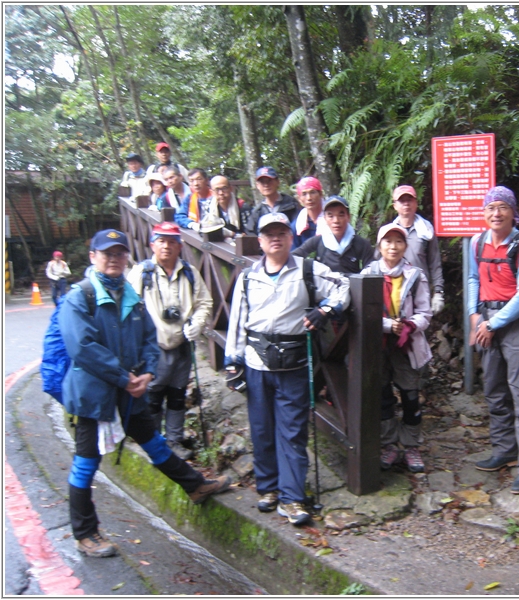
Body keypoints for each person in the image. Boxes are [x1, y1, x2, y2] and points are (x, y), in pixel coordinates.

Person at [59, 229, 229, 558]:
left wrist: (149, 371)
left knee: (154, 441)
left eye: (120, 253)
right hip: (95, 397)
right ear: (93, 257)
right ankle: (85, 533)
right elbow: (82, 348)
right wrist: (125, 378)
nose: (114, 258)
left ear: (126, 257)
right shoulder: (80, 296)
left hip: (130, 389)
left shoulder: (129, 295)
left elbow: (150, 338)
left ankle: (194, 485)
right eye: (106, 253)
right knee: (85, 464)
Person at [225, 213, 350, 525]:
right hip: (256, 362)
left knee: (292, 431)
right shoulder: (248, 277)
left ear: (290, 237)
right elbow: (237, 320)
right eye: (269, 234)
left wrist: (325, 310)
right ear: (260, 240)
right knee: (261, 428)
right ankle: (268, 488)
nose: (276, 238)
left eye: (281, 232)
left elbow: (344, 285)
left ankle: (292, 497)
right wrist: (232, 361)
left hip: (294, 363)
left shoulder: (309, 270)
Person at [467, 186, 519, 495]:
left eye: (502, 207)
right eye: (490, 208)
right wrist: (474, 316)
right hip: (486, 319)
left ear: (513, 212)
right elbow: (473, 278)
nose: (495, 214)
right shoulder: (477, 243)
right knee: (494, 391)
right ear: (484, 213)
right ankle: (504, 450)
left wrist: (492, 324)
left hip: (518, 327)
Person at [127, 223, 213, 460]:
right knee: (153, 394)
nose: (167, 246)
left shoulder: (189, 272)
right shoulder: (141, 273)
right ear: (152, 244)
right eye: (162, 241)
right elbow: (128, 307)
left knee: (177, 395)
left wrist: (197, 323)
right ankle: (152, 442)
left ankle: (173, 441)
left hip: (183, 343)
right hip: (152, 347)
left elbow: (204, 302)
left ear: (180, 246)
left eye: (172, 241)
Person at [364, 223, 432, 473]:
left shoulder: (415, 275)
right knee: (383, 397)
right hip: (377, 345)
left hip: (407, 345)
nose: (393, 247)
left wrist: (408, 325)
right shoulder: (368, 274)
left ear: (405, 246)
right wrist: (386, 325)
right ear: (379, 245)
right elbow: (361, 311)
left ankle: (411, 445)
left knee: (410, 396)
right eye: (387, 241)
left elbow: (425, 312)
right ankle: (389, 444)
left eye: (399, 242)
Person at [391, 185, 445, 314]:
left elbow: (434, 262)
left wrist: (438, 292)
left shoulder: (426, 230)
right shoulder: (389, 233)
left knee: (420, 329)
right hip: (395, 290)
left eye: (409, 200)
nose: (406, 204)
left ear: (416, 203)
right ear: (395, 205)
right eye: (402, 201)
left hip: (420, 289)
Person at [292, 195, 374, 275]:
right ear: (324, 218)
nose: (336, 221)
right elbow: (293, 257)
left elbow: (372, 270)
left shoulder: (361, 244)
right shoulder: (317, 242)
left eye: (341, 215)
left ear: (348, 217)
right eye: (330, 216)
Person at [244, 167, 300, 235]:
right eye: (262, 182)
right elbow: (250, 232)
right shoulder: (257, 212)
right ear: (257, 186)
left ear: (277, 182)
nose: (266, 185)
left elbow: (299, 227)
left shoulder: (292, 204)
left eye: (269, 180)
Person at [291, 176, 327, 248]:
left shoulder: (332, 219)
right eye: (304, 194)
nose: (309, 198)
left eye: (312, 192)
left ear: (320, 194)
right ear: (299, 199)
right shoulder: (296, 226)